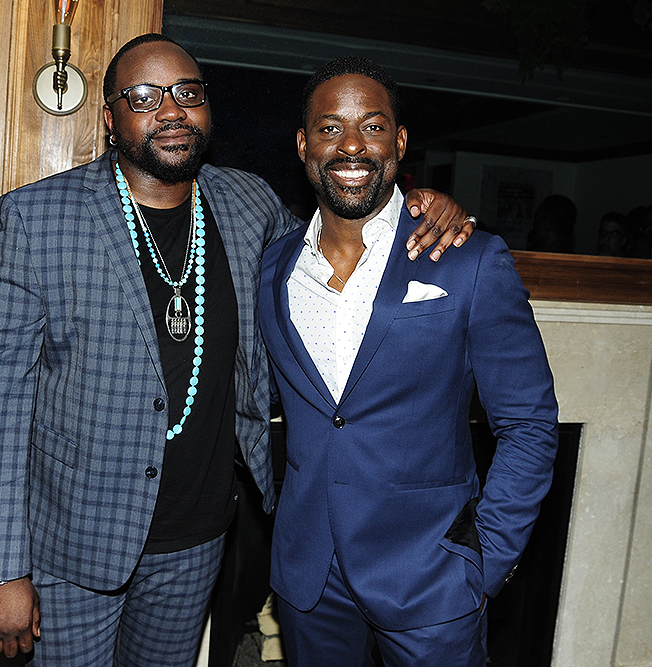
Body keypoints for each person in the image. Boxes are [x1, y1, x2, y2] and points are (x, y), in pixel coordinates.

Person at [0, 35, 476, 666]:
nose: (171, 111)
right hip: (74, 546)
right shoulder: (37, 219)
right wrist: (0, 569)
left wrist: (419, 205)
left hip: (199, 539)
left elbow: (339, 241)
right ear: (109, 118)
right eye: (144, 97)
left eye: (188, 94)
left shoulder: (247, 203)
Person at [258, 57, 559, 666]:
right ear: (302, 144)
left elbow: (529, 425)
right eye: (329, 128)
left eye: (371, 127)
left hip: (432, 578)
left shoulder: (469, 261)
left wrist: (485, 560)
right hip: (309, 578)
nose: (350, 145)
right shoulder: (273, 267)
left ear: (399, 142)